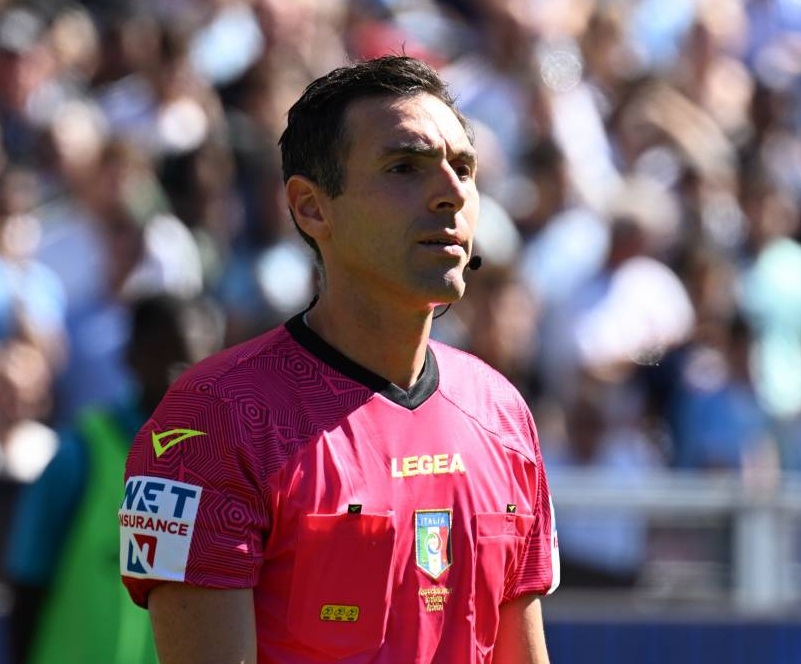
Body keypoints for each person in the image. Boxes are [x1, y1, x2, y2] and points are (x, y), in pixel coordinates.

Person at [119, 55, 559, 664]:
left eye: (464, 168)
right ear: (311, 207)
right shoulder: (209, 420)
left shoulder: (502, 410)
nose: (453, 194)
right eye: (404, 167)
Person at [4, 293, 224, 664]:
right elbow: (28, 578)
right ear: (130, 356)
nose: (177, 373)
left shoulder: (229, 466)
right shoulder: (80, 454)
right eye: (161, 354)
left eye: (192, 360)